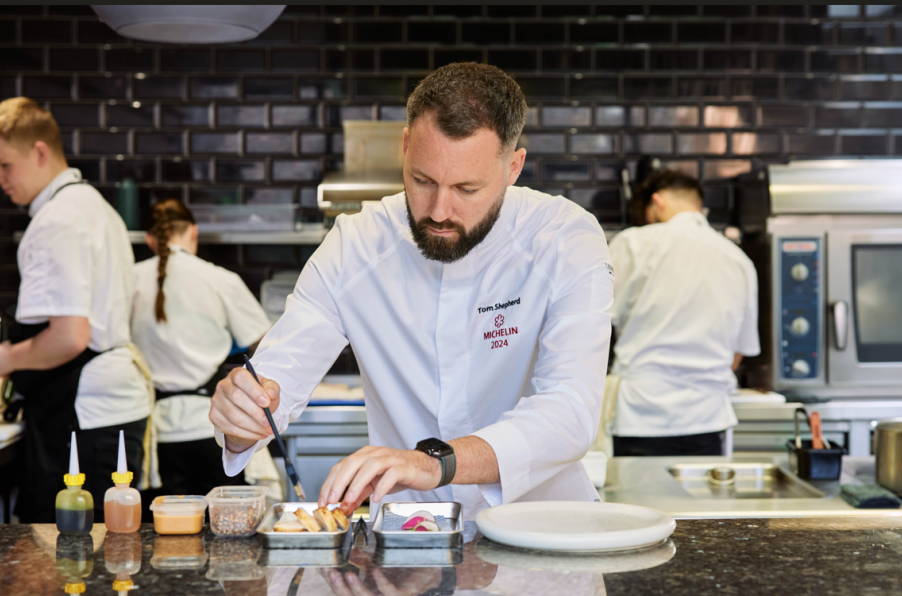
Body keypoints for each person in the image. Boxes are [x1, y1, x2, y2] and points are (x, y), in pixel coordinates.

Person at [209, 62, 615, 520]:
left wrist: (434, 463)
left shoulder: (564, 238)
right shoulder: (355, 246)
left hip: (545, 531)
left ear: (513, 168)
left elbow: (569, 411)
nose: (439, 210)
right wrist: (242, 417)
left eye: (467, 188)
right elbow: (273, 386)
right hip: (412, 539)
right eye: (422, 181)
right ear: (405, 147)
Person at [0, 97, 149, 523]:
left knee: (70, 548)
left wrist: (7, 358)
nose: (1, 179)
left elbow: (69, 336)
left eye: (6, 165)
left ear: (40, 152)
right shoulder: (95, 207)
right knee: (110, 544)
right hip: (110, 409)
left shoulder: (56, 220)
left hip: (83, 415)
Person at [606, 170, 760, 457]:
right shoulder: (739, 260)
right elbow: (737, 354)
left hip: (640, 415)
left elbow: (595, 321)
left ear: (657, 202)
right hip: (708, 418)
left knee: (635, 488)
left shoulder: (634, 243)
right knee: (701, 489)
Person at [130, 199, 271, 497]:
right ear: (193, 231)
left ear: (150, 239)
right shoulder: (220, 279)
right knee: (223, 520)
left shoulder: (129, 280)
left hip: (155, 433)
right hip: (212, 426)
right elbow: (266, 343)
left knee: (165, 522)